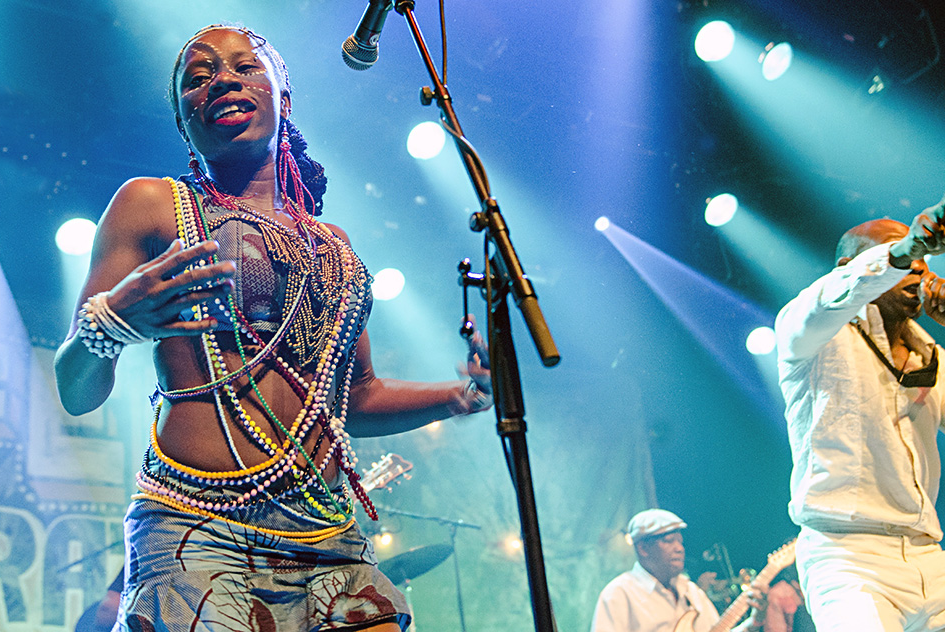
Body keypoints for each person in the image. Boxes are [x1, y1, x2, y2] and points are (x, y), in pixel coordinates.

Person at [54, 23, 492, 632]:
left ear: (283, 96)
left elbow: (352, 400)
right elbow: (75, 391)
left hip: (327, 530)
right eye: (198, 77)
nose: (221, 81)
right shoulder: (150, 203)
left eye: (244, 67)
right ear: (185, 120)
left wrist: (459, 396)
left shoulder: (333, 246)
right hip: (196, 529)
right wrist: (110, 324)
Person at [774, 201, 945, 631]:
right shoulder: (810, 335)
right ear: (849, 265)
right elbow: (829, 298)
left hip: (928, 556)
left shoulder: (932, 356)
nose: (918, 270)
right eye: (905, 258)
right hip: (848, 558)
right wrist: (902, 250)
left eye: (922, 262)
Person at [590, 509, 767, 632]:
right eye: (669, 541)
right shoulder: (619, 594)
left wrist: (754, 620)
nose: (679, 548)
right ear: (643, 548)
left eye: (680, 541)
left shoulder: (691, 591)